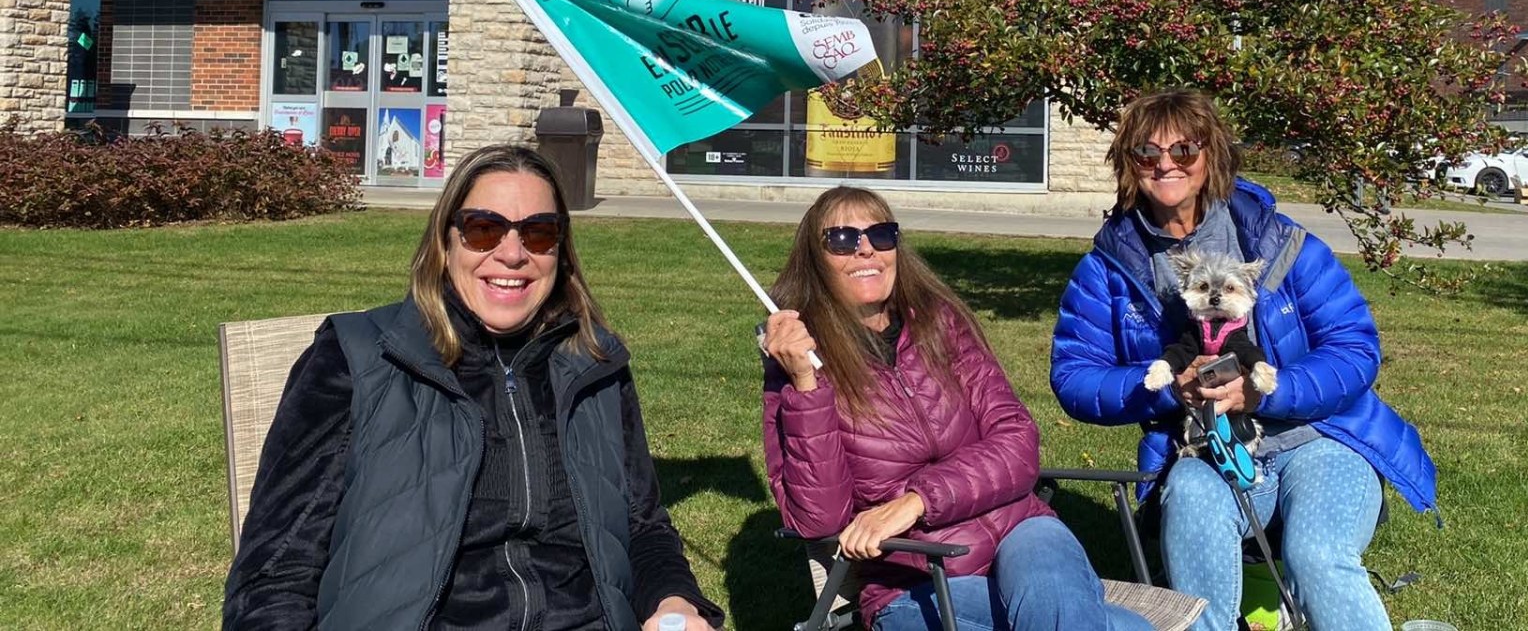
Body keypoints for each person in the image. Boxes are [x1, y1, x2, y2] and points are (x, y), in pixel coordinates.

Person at [223, 144, 723, 631]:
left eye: (539, 233)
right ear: (445, 244)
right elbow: (276, 573)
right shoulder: (357, 358)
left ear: (561, 251)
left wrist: (673, 601)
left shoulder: (594, 364)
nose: (513, 254)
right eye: (484, 229)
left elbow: (643, 528)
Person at [1050, 90, 1436, 631]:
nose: (1166, 164)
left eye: (1184, 150)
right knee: (1192, 536)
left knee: (1317, 556)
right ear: (1129, 163)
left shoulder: (1280, 243)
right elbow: (1074, 376)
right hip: (1205, 451)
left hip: (1321, 438)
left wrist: (1268, 391)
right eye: (1147, 152)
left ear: (1211, 156)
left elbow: (1355, 349)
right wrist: (1166, 388)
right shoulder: (1108, 268)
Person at [761, 186, 1152, 631]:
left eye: (881, 234)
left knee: (1058, 600)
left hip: (1020, 529)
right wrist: (806, 386)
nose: (866, 249)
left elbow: (1018, 443)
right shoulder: (801, 367)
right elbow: (819, 519)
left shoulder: (939, 323)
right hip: (917, 577)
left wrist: (917, 501)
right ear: (816, 258)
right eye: (843, 239)